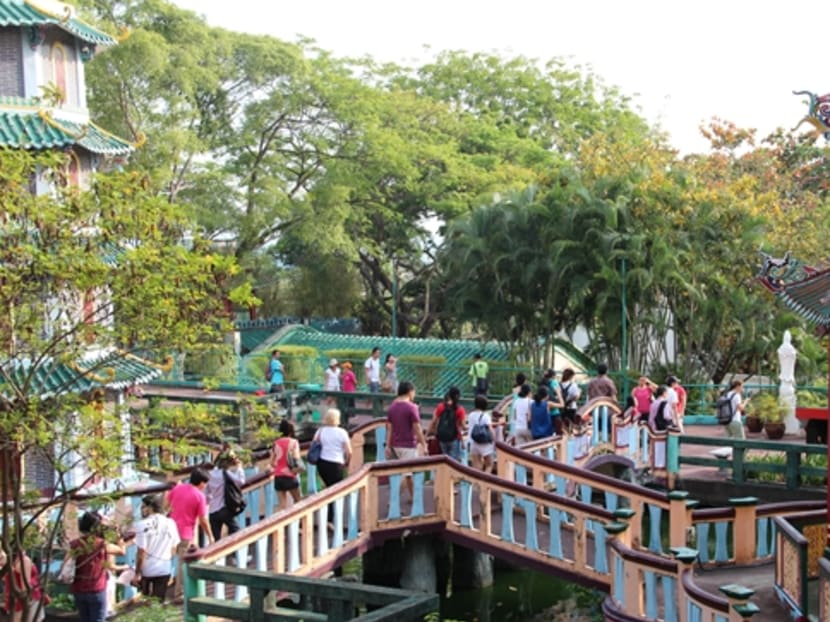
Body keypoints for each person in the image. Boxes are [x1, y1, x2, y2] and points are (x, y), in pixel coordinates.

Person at [68, 511, 126, 622]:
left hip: (78, 588)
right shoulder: (101, 544)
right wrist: (119, 536)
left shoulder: (74, 544)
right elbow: (122, 551)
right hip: (97, 588)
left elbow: (66, 563)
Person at [166, 467, 213, 596]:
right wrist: (210, 536)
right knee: (183, 563)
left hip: (171, 530)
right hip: (185, 533)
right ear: (201, 483)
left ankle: (163, 589)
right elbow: (203, 519)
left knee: (166, 559)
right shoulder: (199, 496)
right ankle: (179, 592)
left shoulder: (177, 489)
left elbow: (167, 502)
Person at [132, 494, 179, 603]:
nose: (142, 510)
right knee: (158, 602)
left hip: (147, 570)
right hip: (164, 568)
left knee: (146, 603)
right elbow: (173, 549)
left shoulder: (141, 525)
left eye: (143, 507)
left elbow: (141, 553)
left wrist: (137, 573)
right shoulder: (171, 523)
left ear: (150, 507)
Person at [385, 381, 427, 498]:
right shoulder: (412, 407)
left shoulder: (392, 407)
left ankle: (412, 497)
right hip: (408, 444)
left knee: (403, 474)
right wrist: (423, 443)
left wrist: (388, 445)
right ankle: (394, 499)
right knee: (407, 474)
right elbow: (417, 428)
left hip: (395, 444)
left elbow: (389, 428)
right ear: (410, 392)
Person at [313, 408, 353, 507]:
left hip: (322, 463)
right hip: (336, 463)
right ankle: (333, 515)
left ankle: (327, 515)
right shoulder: (342, 432)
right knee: (336, 490)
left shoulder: (320, 431)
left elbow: (314, 444)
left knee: (326, 488)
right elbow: (349, 451)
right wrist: (347, 462)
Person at [206, 450, 246, 542]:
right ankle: (235, 553)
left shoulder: (209, 475)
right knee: (236, 530)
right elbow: (241, 481)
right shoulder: (225, 473)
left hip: (212, 511)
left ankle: (218, 556)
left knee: (216, 538)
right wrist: (239, 468)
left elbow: (206, 495)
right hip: (223, 508)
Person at [2, 550, 47, 622]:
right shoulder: (23, 561)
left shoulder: (9, 561)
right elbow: (24, 589)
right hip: (26, 602)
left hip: (18, 601)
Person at [427, 386, 466, 460]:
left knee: (445, 461)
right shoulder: (460, 409)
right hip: (454, 438)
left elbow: (433, 422)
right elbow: (463, 426)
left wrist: (426, 435)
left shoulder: (441, 406)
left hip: (442, 438)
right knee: (453, 463)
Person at [271, 419, 302, 509]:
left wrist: (280, 466)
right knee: (298, 501)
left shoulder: (276, 443)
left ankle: (280, 523)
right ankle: (298, 522)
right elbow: (296, 457)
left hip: (278, 476)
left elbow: (272, 462)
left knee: (282, 505)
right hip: (290, 476)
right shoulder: (294, 442)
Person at [467, 394, 495, 474]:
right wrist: (494, 440)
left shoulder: (470, 415)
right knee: (489, 464)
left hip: (473, 442)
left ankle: (476, 485)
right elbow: (490, 429)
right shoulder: (486, 416)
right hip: (484, 444)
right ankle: (485, 483)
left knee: (476, 468)